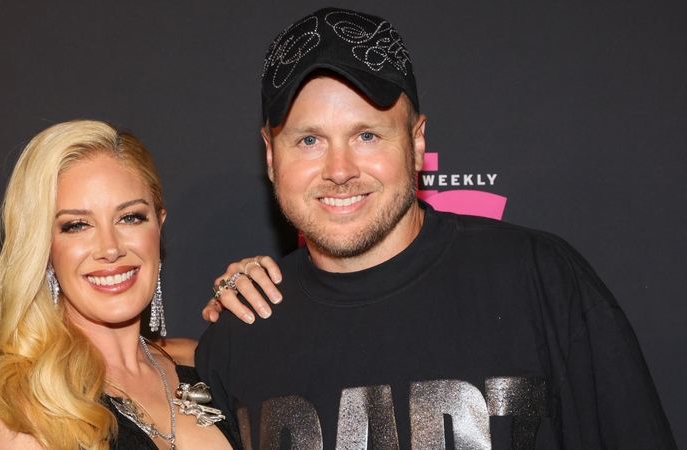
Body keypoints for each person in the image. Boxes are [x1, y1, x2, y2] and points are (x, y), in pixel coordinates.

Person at [196, 7, 676, 449]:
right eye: (309, 140)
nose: (339, 170)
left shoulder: (541, 282)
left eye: (367, 135)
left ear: (417, 141)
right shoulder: (241, 335)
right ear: (270, 155)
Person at [0, 120, 274, 450]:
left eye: (130, 218)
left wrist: (268, 305)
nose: (111, 248)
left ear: (158, 225)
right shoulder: (26, 424)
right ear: (43, 249)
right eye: (77, 225)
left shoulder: (202, 362)